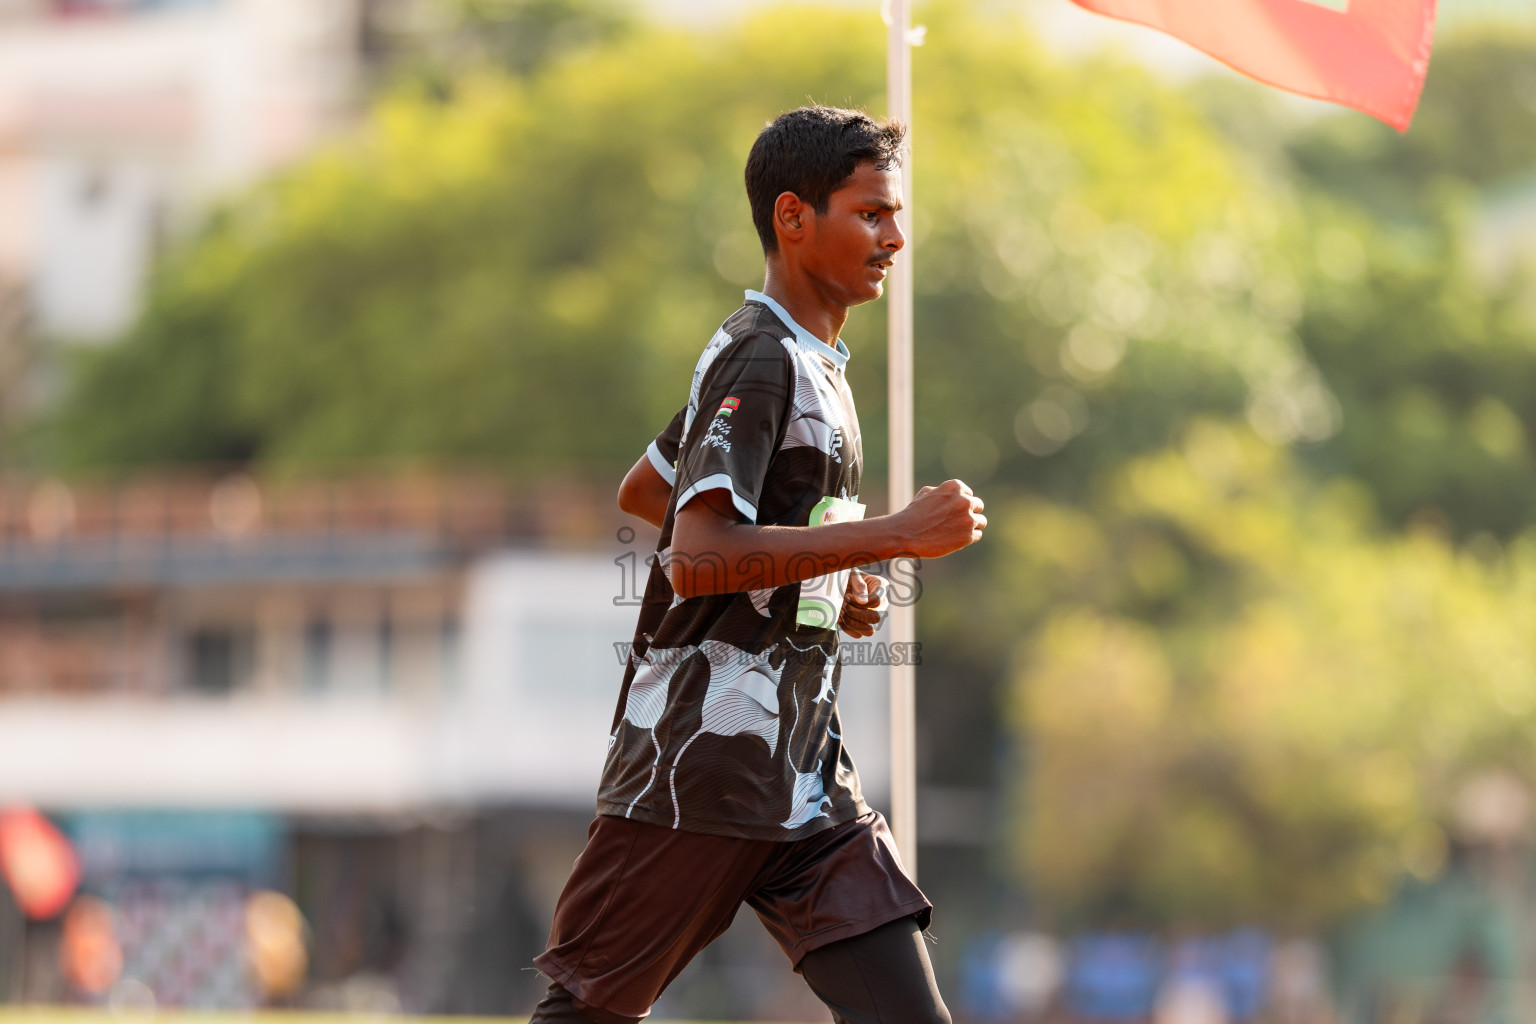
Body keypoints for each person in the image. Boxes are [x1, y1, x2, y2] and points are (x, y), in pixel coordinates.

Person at [530, 105, 987, 1024]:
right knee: (585, 1015)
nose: (895, 236)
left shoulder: (816, 360)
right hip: (696, 771)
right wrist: (890, 535)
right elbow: (695, 558)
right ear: (792, 217)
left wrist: (815, 575)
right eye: (870, 214)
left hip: (804, 780)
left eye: (896, 214)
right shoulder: (761, 356)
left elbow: (648, 488)